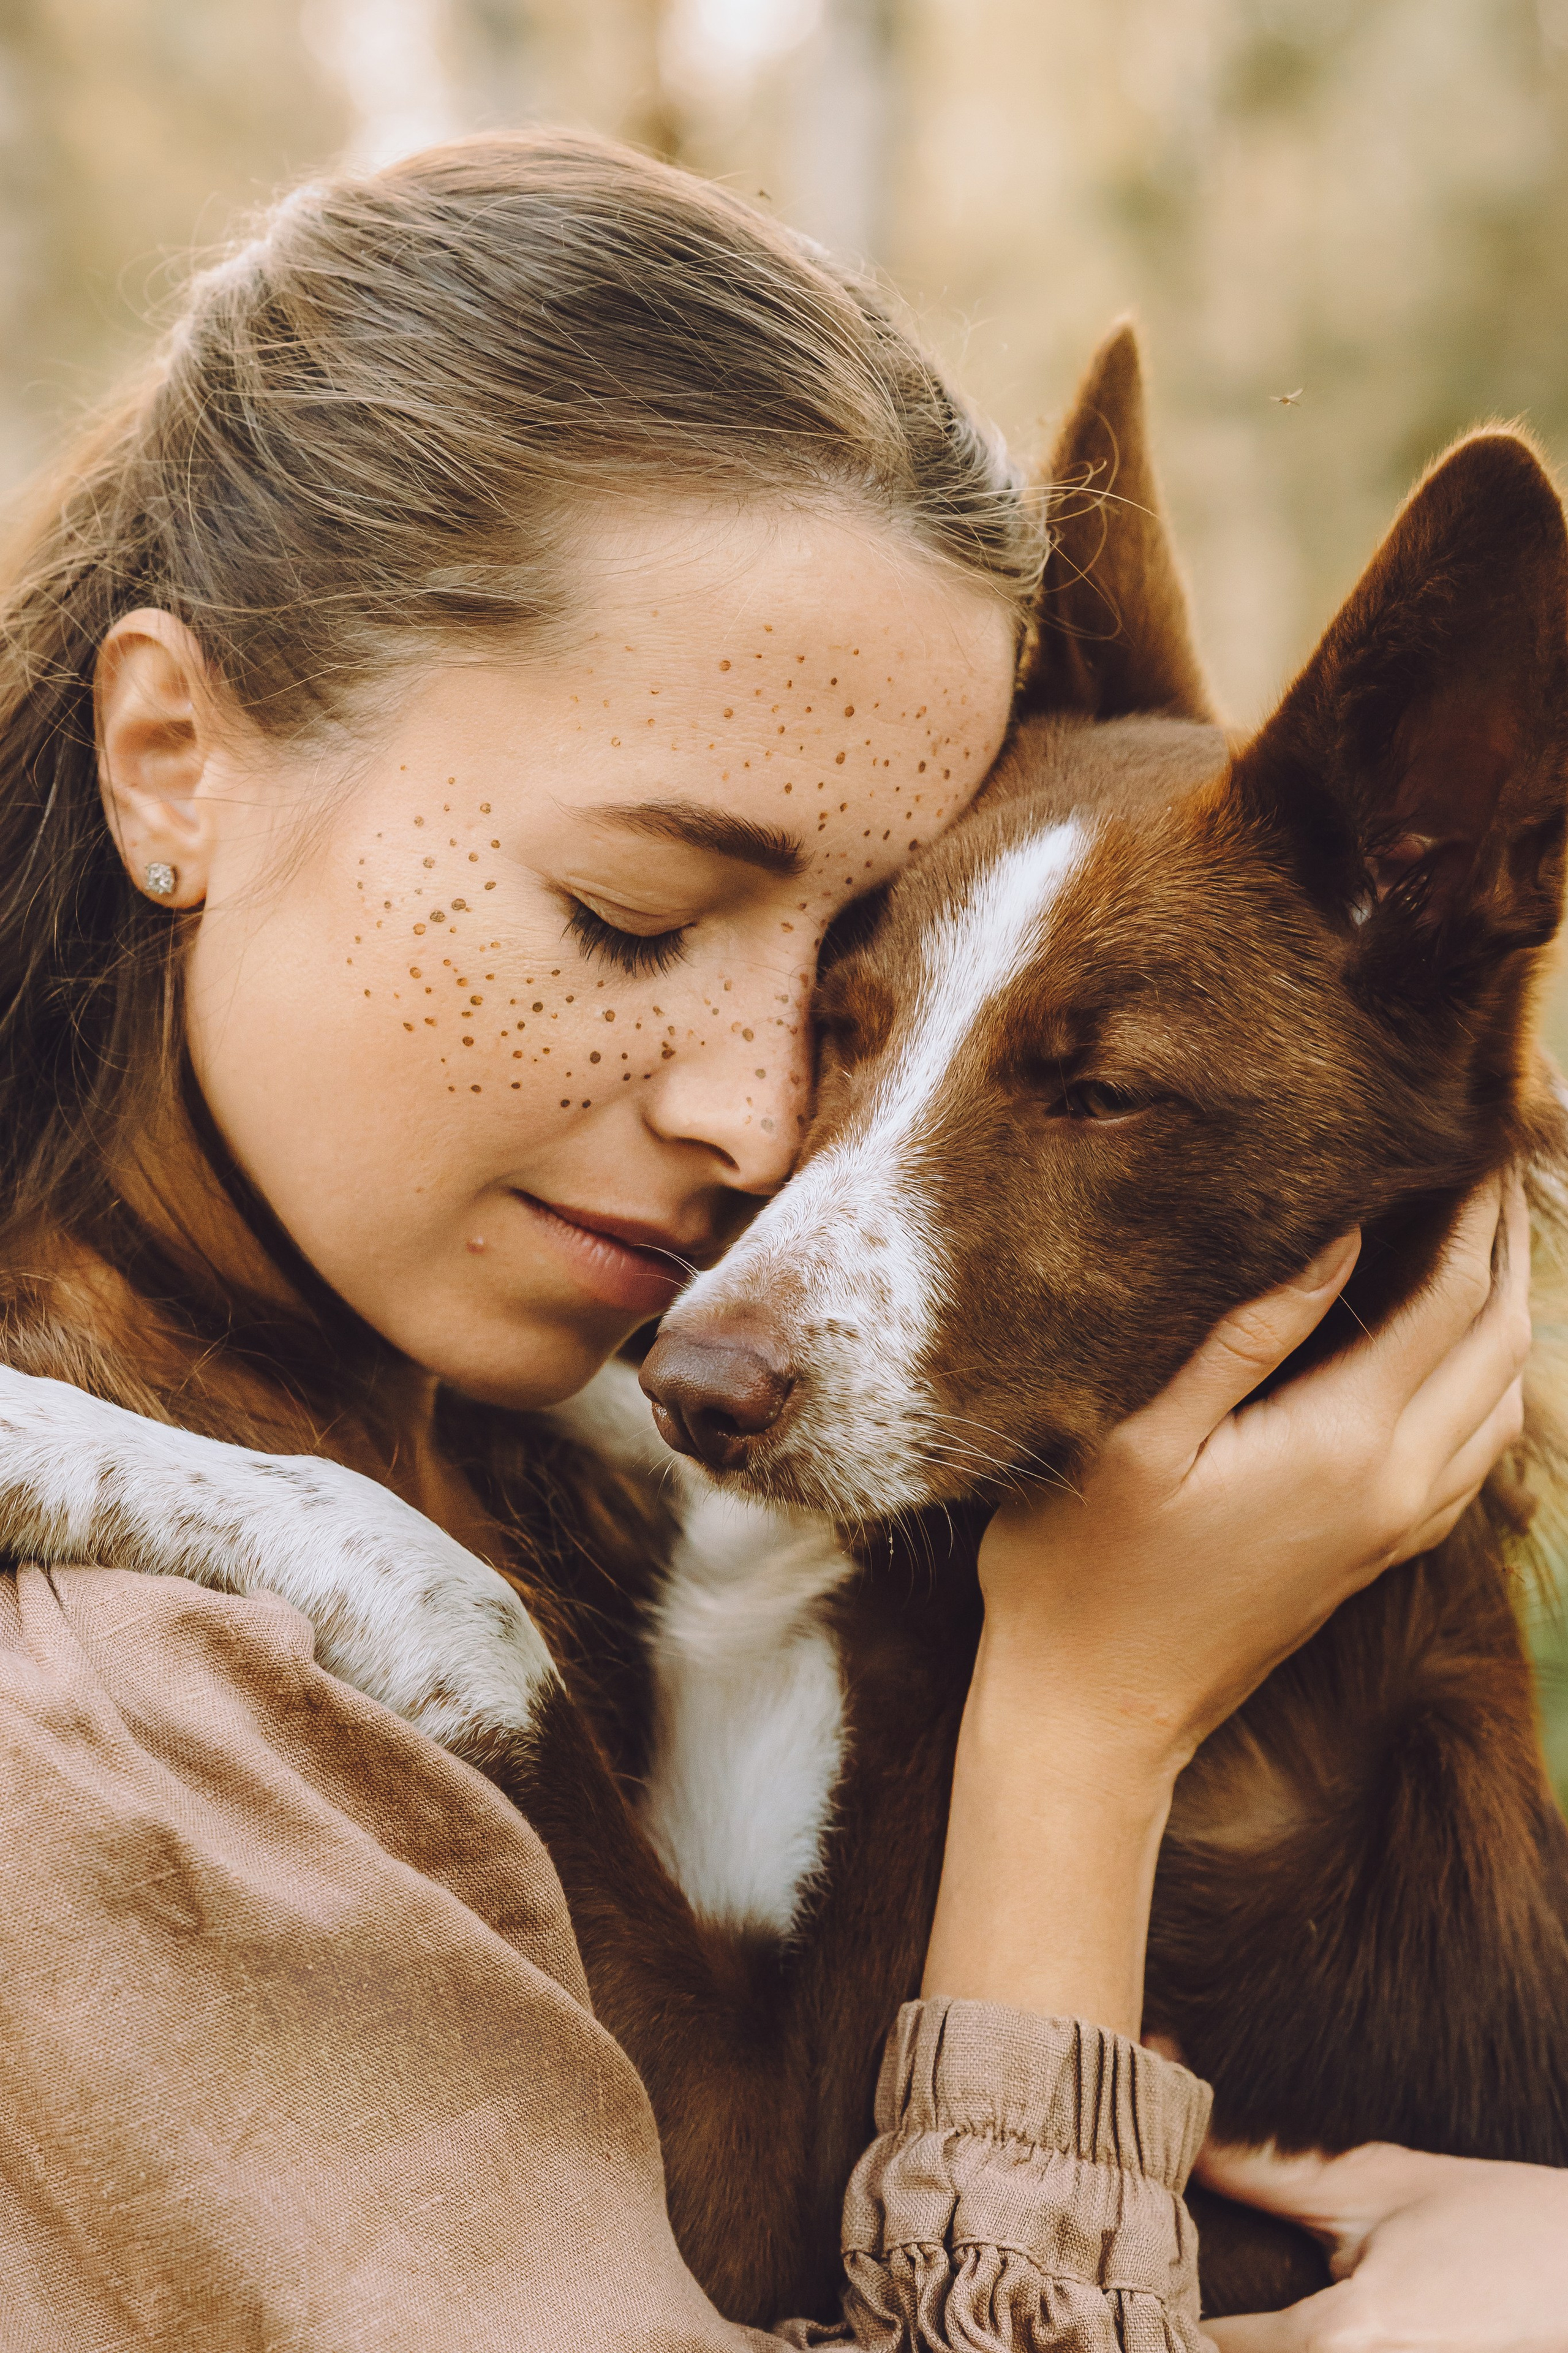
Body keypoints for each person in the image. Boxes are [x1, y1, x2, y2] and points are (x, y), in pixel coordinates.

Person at [0, 125, 1543, 2350]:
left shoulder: (478, 1406)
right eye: (630, 914)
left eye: (829, 968)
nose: (758, 1127)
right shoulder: (126, 1732)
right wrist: (1079, 1729)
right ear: (173, 756)